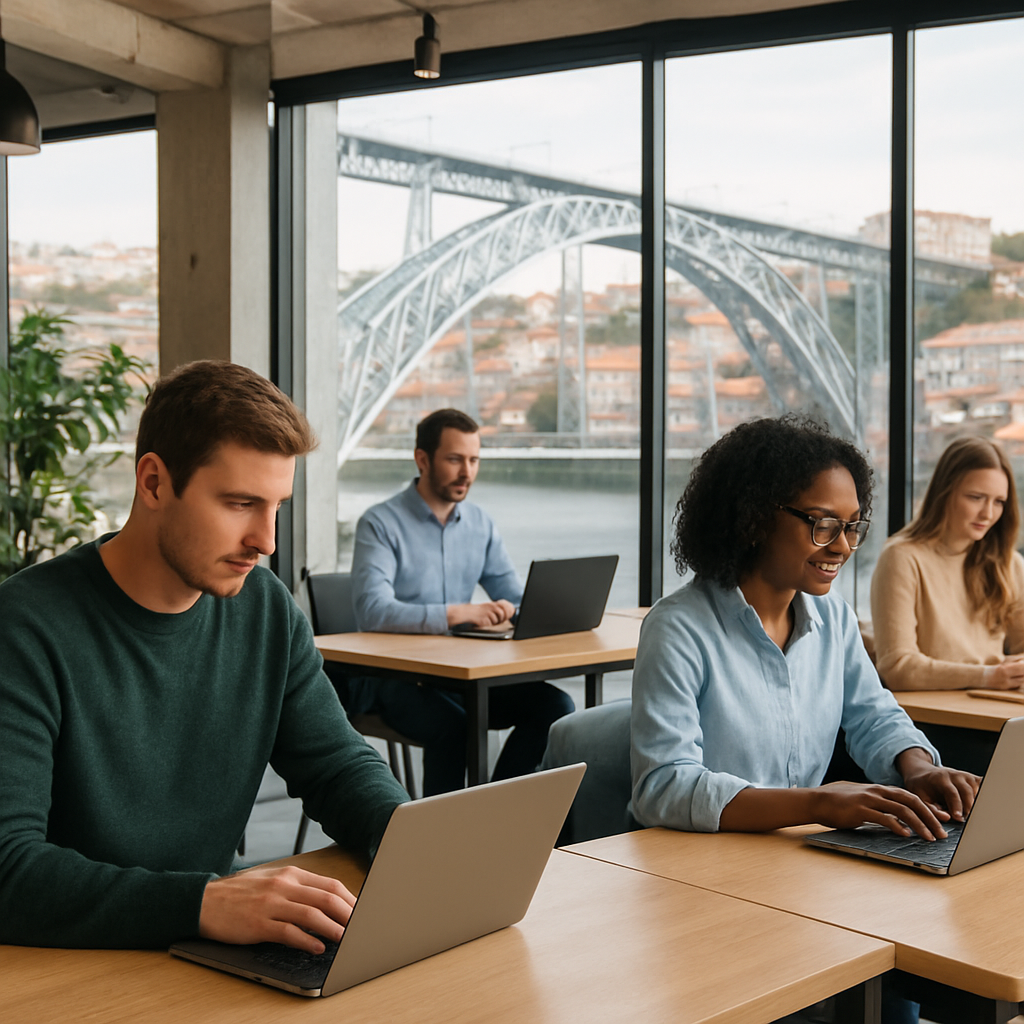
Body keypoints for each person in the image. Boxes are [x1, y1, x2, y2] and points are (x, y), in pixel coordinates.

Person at [0, 360, 408, 951]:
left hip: (202, 955)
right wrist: (201, 901)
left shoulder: (265, 609)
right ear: (154, 483)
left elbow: (337, 766)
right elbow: (9, 869)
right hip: (61, 969)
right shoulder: (25, 626)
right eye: (240, 503)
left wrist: (414, 844)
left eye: (276, 506)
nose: (265, 540)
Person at [630, 416, 981, 1024]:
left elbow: (875, 717)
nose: (843, 547)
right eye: (823, 524)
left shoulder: (834, 621)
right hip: (702, 888)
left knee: (912, 980)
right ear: (756, 515)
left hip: (800, 874)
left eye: (851, 527)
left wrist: (918, 768)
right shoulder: (678, 628)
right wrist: (818, 805)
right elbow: (663, 787)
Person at [350, 408, 575, 796]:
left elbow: (515, 596)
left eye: (473, 460)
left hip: (459, 674)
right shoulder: (380, 523)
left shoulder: (480, 524)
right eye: (455, 459)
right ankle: (441, 847)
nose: (466, 471)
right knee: (455, 727)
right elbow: (373, 610)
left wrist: (529, 608)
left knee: (555, 707)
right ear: (423, 459)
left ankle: (497, 813)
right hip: (394, 679)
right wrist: (457, 613)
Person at [871, 435, 1024, 692]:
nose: (988, 514)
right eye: (976, 497)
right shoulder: (902, 558)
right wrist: (988, 676)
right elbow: (897, 667)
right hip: (935, 718)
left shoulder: (1009, 563)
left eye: (999, 502)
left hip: (994, 709)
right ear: (944, 493)